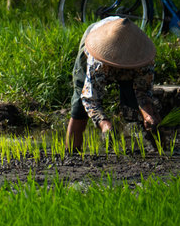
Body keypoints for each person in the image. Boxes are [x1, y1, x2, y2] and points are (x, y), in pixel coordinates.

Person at [65, 17, 161, 151]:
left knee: (133, 100)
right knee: (79, 107)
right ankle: (71, 153)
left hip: (128, 47)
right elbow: (89, 98)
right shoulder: (97, 61)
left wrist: (147, 114)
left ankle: (159, 149)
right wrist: (104, 124)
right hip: (101, 38)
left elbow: (143, 92)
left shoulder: (143, 60)